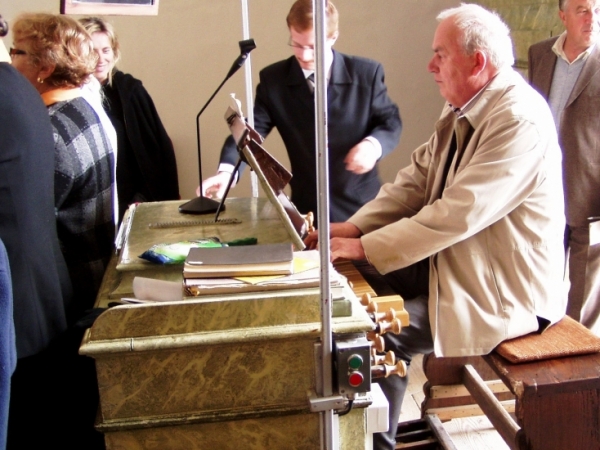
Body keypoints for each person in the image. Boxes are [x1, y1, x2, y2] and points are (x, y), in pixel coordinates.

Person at [305, 4, 567, 449]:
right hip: (464, 266)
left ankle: (377, 444)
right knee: (345, 289)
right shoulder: (466, 105)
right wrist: (354, 229)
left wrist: (365, 247)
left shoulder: (518, 118)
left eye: (440, 55)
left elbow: (458, 213)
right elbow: (415, 181)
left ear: (477, 62)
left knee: (376, 334)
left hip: (507, 291)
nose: (430, 66)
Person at [201, 0, 402, 224]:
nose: (304, 56)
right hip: (307, 210)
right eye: (296, 44)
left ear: (333, 37)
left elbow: (390, 121)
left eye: (313, 47)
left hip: (363, 209)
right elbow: (248, 133)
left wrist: (373, 146)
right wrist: (226, 172)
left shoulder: (366, 73)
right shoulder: (274, 80)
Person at [528, 0, 600, 335]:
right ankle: (540, 346)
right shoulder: (540, 54)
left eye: (597, 10)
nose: (592, 18)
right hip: (542, 188)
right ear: (563, 15)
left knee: (583, 294)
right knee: (538, 279)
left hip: (589, 189)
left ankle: (580, 355)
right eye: (583, 10)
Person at [80, 16, 180, 222]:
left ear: (114, 52)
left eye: (105, 50)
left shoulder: (130, 91)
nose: (100, 58)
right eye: (92, 51)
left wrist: (142, 197)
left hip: (132, 203)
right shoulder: (74, 97)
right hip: (91, 206)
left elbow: (156, 152)